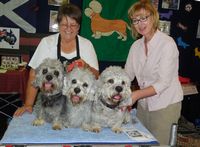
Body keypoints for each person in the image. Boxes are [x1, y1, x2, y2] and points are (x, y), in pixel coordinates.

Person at [14, 3, 99, 116]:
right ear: (58, 25)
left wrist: (86, 66)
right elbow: (34, 74)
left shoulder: (87, 45)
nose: (68, 29)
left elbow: (96, 76)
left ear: (78, 27)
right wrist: (28, 104)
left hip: (79, 104)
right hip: (52, 102)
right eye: (64, 24)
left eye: (73, 25)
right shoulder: (47, 43)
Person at [125, 0, 183, 145]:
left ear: (154, 17)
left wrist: (136, 95)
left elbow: (163, 83)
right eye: (135, 20)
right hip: (144, 106)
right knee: (140, 143)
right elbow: (127, 75)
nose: (140, 23)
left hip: (166, 105)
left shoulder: (167, 44)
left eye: (144, 18)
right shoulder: (135, 46)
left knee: (160, 144)